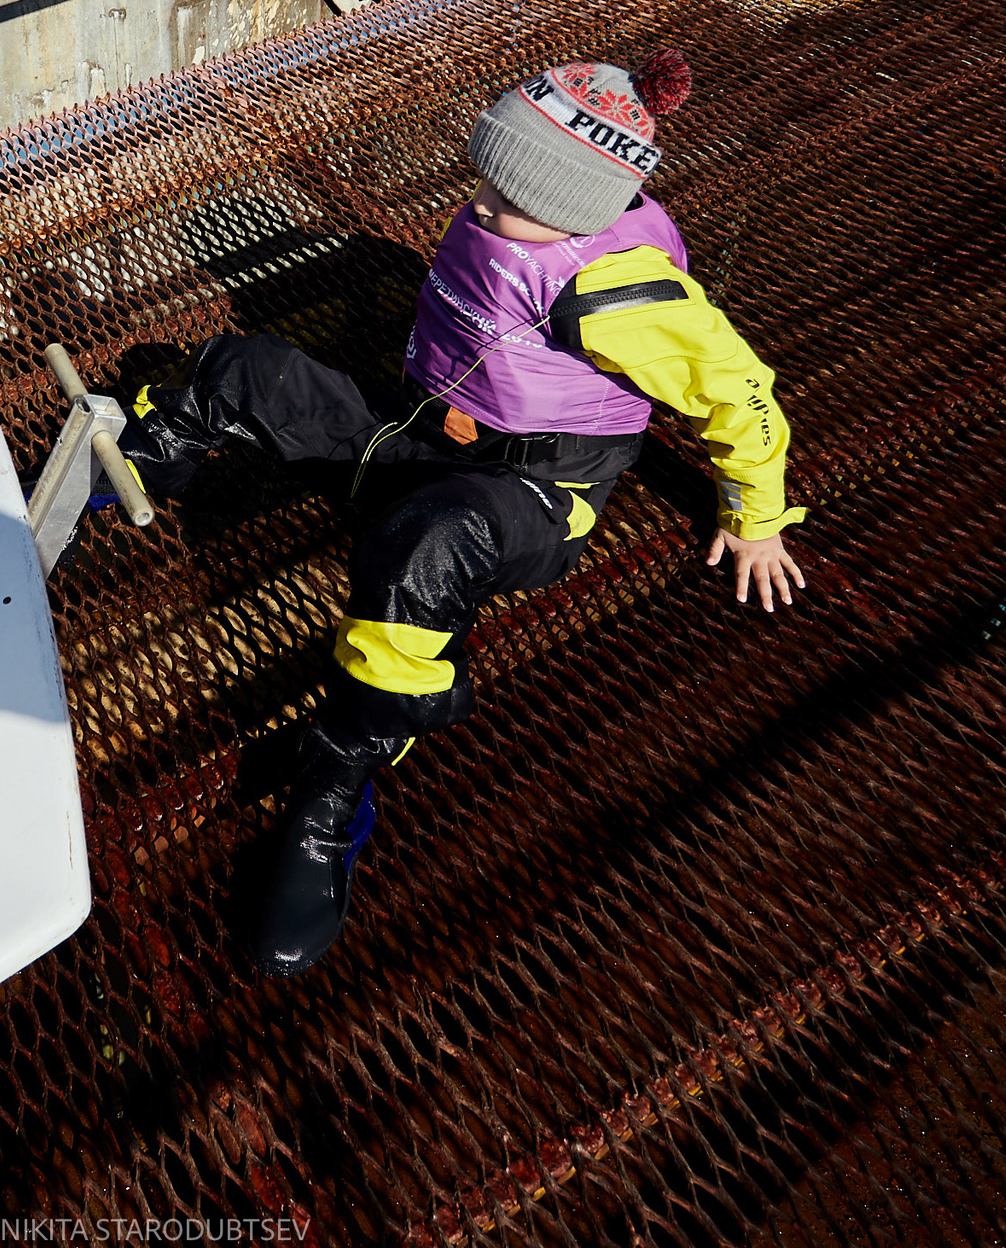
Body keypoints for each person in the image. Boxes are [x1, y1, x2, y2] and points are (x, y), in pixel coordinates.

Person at [116, 49, 806, 977]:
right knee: (243, 370)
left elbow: (743, 394)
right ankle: (120, 478)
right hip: (421, 426)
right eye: (483, 179)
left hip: (530, 492)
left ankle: (338, 778)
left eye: (505, 196)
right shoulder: (512, 214)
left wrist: (755, 516)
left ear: (575, 207)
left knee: (425, 544)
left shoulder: (616, 291)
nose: (479, 205)